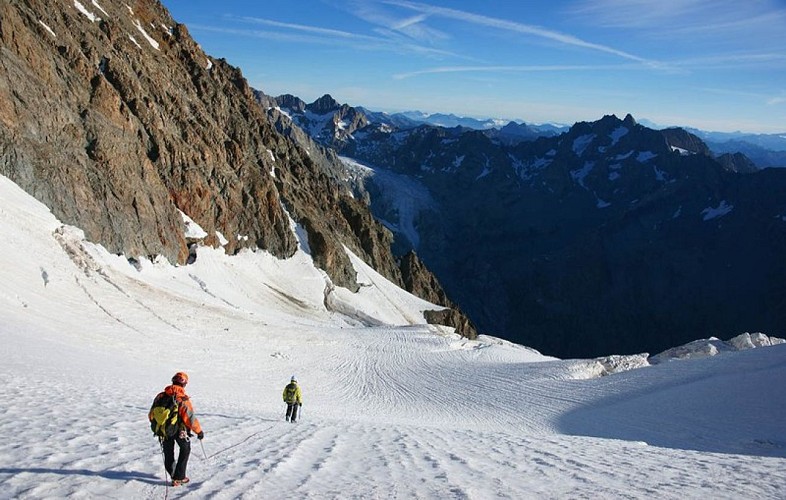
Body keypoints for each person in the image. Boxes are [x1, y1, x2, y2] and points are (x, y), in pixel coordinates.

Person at [149, 371, 204, 486]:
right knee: (185, 449)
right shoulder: (182, 398)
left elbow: (151, 414)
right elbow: (190, 418)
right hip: (180, 430)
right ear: (184, 384)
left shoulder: (160, 396)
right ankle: (179, 477)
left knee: (168, 453)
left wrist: (162, 425)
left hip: (164, 430)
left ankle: (174, 475)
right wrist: (198, 431)